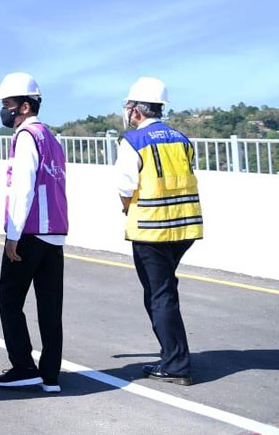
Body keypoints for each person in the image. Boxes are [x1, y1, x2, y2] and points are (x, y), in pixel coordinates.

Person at [116, 76, 202, 385]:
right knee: (162, 291)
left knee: (160, 294)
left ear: (137, 111)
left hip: (152, 230)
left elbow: (126, 186)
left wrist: (128, 207)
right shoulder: (181, 138)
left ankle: (176, 363)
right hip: (185, 226)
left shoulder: (133, 141)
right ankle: (172, 354)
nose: (126, 112)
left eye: (128, 106)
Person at [0, 72, 68, 393]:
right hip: (55, 234)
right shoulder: (52, 137)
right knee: (50, 307)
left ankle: (23, 367)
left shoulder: (26, 137)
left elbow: (23, 188)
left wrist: (13, 234)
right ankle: (50, 376)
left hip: (30, 233)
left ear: (23, 106)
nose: (4, 110)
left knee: (9, 298)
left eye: (7, 104)